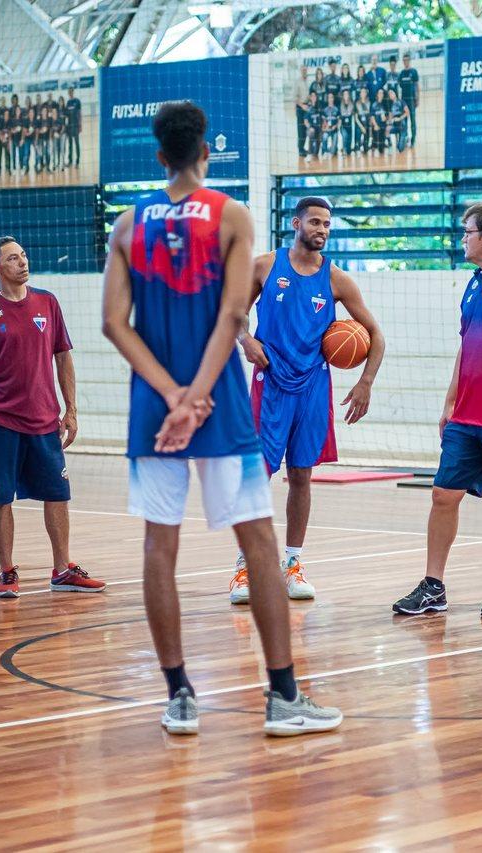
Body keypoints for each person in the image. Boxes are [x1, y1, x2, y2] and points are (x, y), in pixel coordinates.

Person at [101, 100, 343, 736]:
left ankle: (180, 695)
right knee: (258, 541)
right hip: (221, 403)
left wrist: (172, 395)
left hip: (153, 408)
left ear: (159, 157)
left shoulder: (129, 224)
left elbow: (112, 324)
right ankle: (283, 697)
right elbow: (234, 315)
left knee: (160, 544)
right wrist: (200, 395)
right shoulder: (231, 215)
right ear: (205, 152)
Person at [231, 196, 386, 605]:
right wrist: (245, 340)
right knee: (256, 476)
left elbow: (376, 334)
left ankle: (292, 564)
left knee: (301, 476)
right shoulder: (265, 266)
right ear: (296, 223)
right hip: (270, 382)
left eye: (327, 224)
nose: (322, 230)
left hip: (314, 387)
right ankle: (244, 567)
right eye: (315, 222)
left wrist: (366, 382)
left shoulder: (337, 279)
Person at [392, 202, 482, 618]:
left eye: (467, 231)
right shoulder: (474, 283)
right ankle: (433, 585)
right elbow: (466, 343)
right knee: (442, 495)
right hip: (467, 416)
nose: (462, 238)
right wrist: (450, 401)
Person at [0, 237, 106, 598]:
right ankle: (7, 571)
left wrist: (70, 410)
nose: (23, 262)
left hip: (44, 421)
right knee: (0, 499)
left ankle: (62, 569)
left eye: (23, 255)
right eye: (13, 258)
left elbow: (63, 357)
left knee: (58, 494)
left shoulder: (47, 302)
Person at [398, 53, 420, 145]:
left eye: (407, 60)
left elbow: (417, 85)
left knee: (413, 120)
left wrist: (418, 98)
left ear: (409, 60)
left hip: (412, 100)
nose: (405, 62)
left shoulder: (414, 71)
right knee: (404, 121)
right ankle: (406, 138)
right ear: (403, 61)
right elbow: (399, 87)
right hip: (404, 101)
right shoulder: (401, 73)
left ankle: (413, 139)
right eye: (404, 60)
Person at [293, 65, 311, 158]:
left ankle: (303, 148)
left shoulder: (308, 81)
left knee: (306, 129)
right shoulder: (297, 82)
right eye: (303, 70)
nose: (304, 71)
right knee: (300, 130)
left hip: (307, 107)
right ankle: (300, 149)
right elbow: (295, 98)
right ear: (300, 71)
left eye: (305, 70)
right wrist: (302, 105)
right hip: (300, 107)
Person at [65, 87, 82, 167]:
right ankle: (70, 161)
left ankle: (77, 161)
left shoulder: (77, 101)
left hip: (75, 126)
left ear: (73, 92)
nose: (70, 93)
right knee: (70, 144)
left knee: (77, 144)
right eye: (69, 92)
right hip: (69, 127)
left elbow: (79, 114)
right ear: (68, 93)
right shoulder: (68, 102)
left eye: (71, 91)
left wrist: (80, 125)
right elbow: (66, 115)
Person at [320, 92, 341, 157]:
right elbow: (323, 121)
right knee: (325, 136)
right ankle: (324, 151)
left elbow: (339, 120)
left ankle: (332, 150)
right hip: (327, 129)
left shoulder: (337, 109)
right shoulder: (325, 109)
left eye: (332, 97)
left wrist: (336, 126)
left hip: (334, 130)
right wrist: (325, 127)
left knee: (333, 153)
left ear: (333, 99)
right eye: (329, 97)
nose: (330, 99)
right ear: (327, 99)